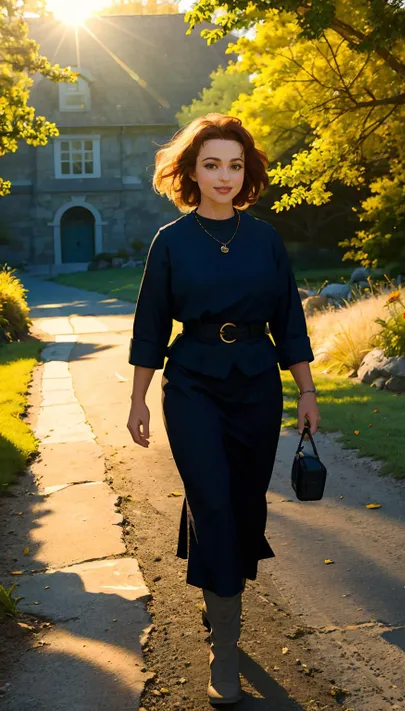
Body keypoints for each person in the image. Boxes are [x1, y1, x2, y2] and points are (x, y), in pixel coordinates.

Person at [126, 113, 321, 706]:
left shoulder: (264, 239)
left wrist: (307, 391)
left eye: (234, 165)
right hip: (191, 384)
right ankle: (224, 649)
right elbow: (151, 325)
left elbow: (290, 318)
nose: (224, 175)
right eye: (211, 164)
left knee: (241, 503)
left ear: (247, 171)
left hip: (257, 383)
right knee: (211, 499)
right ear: (191, 170)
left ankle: (219, 594)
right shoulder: (171, 241)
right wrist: (137, 398)